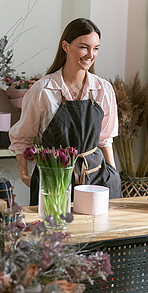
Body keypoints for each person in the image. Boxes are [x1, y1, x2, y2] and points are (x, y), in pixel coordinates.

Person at [9, 18, 121, 206]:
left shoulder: (103, 89)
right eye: (84, 47)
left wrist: (114, 174)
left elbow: (105, 139)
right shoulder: (43, 90)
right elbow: (22, 138)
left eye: (96, 48)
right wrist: (24, 175)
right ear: (66, 46)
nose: (90, 55)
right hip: (54, 179)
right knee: (56, 232)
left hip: (97, 180)